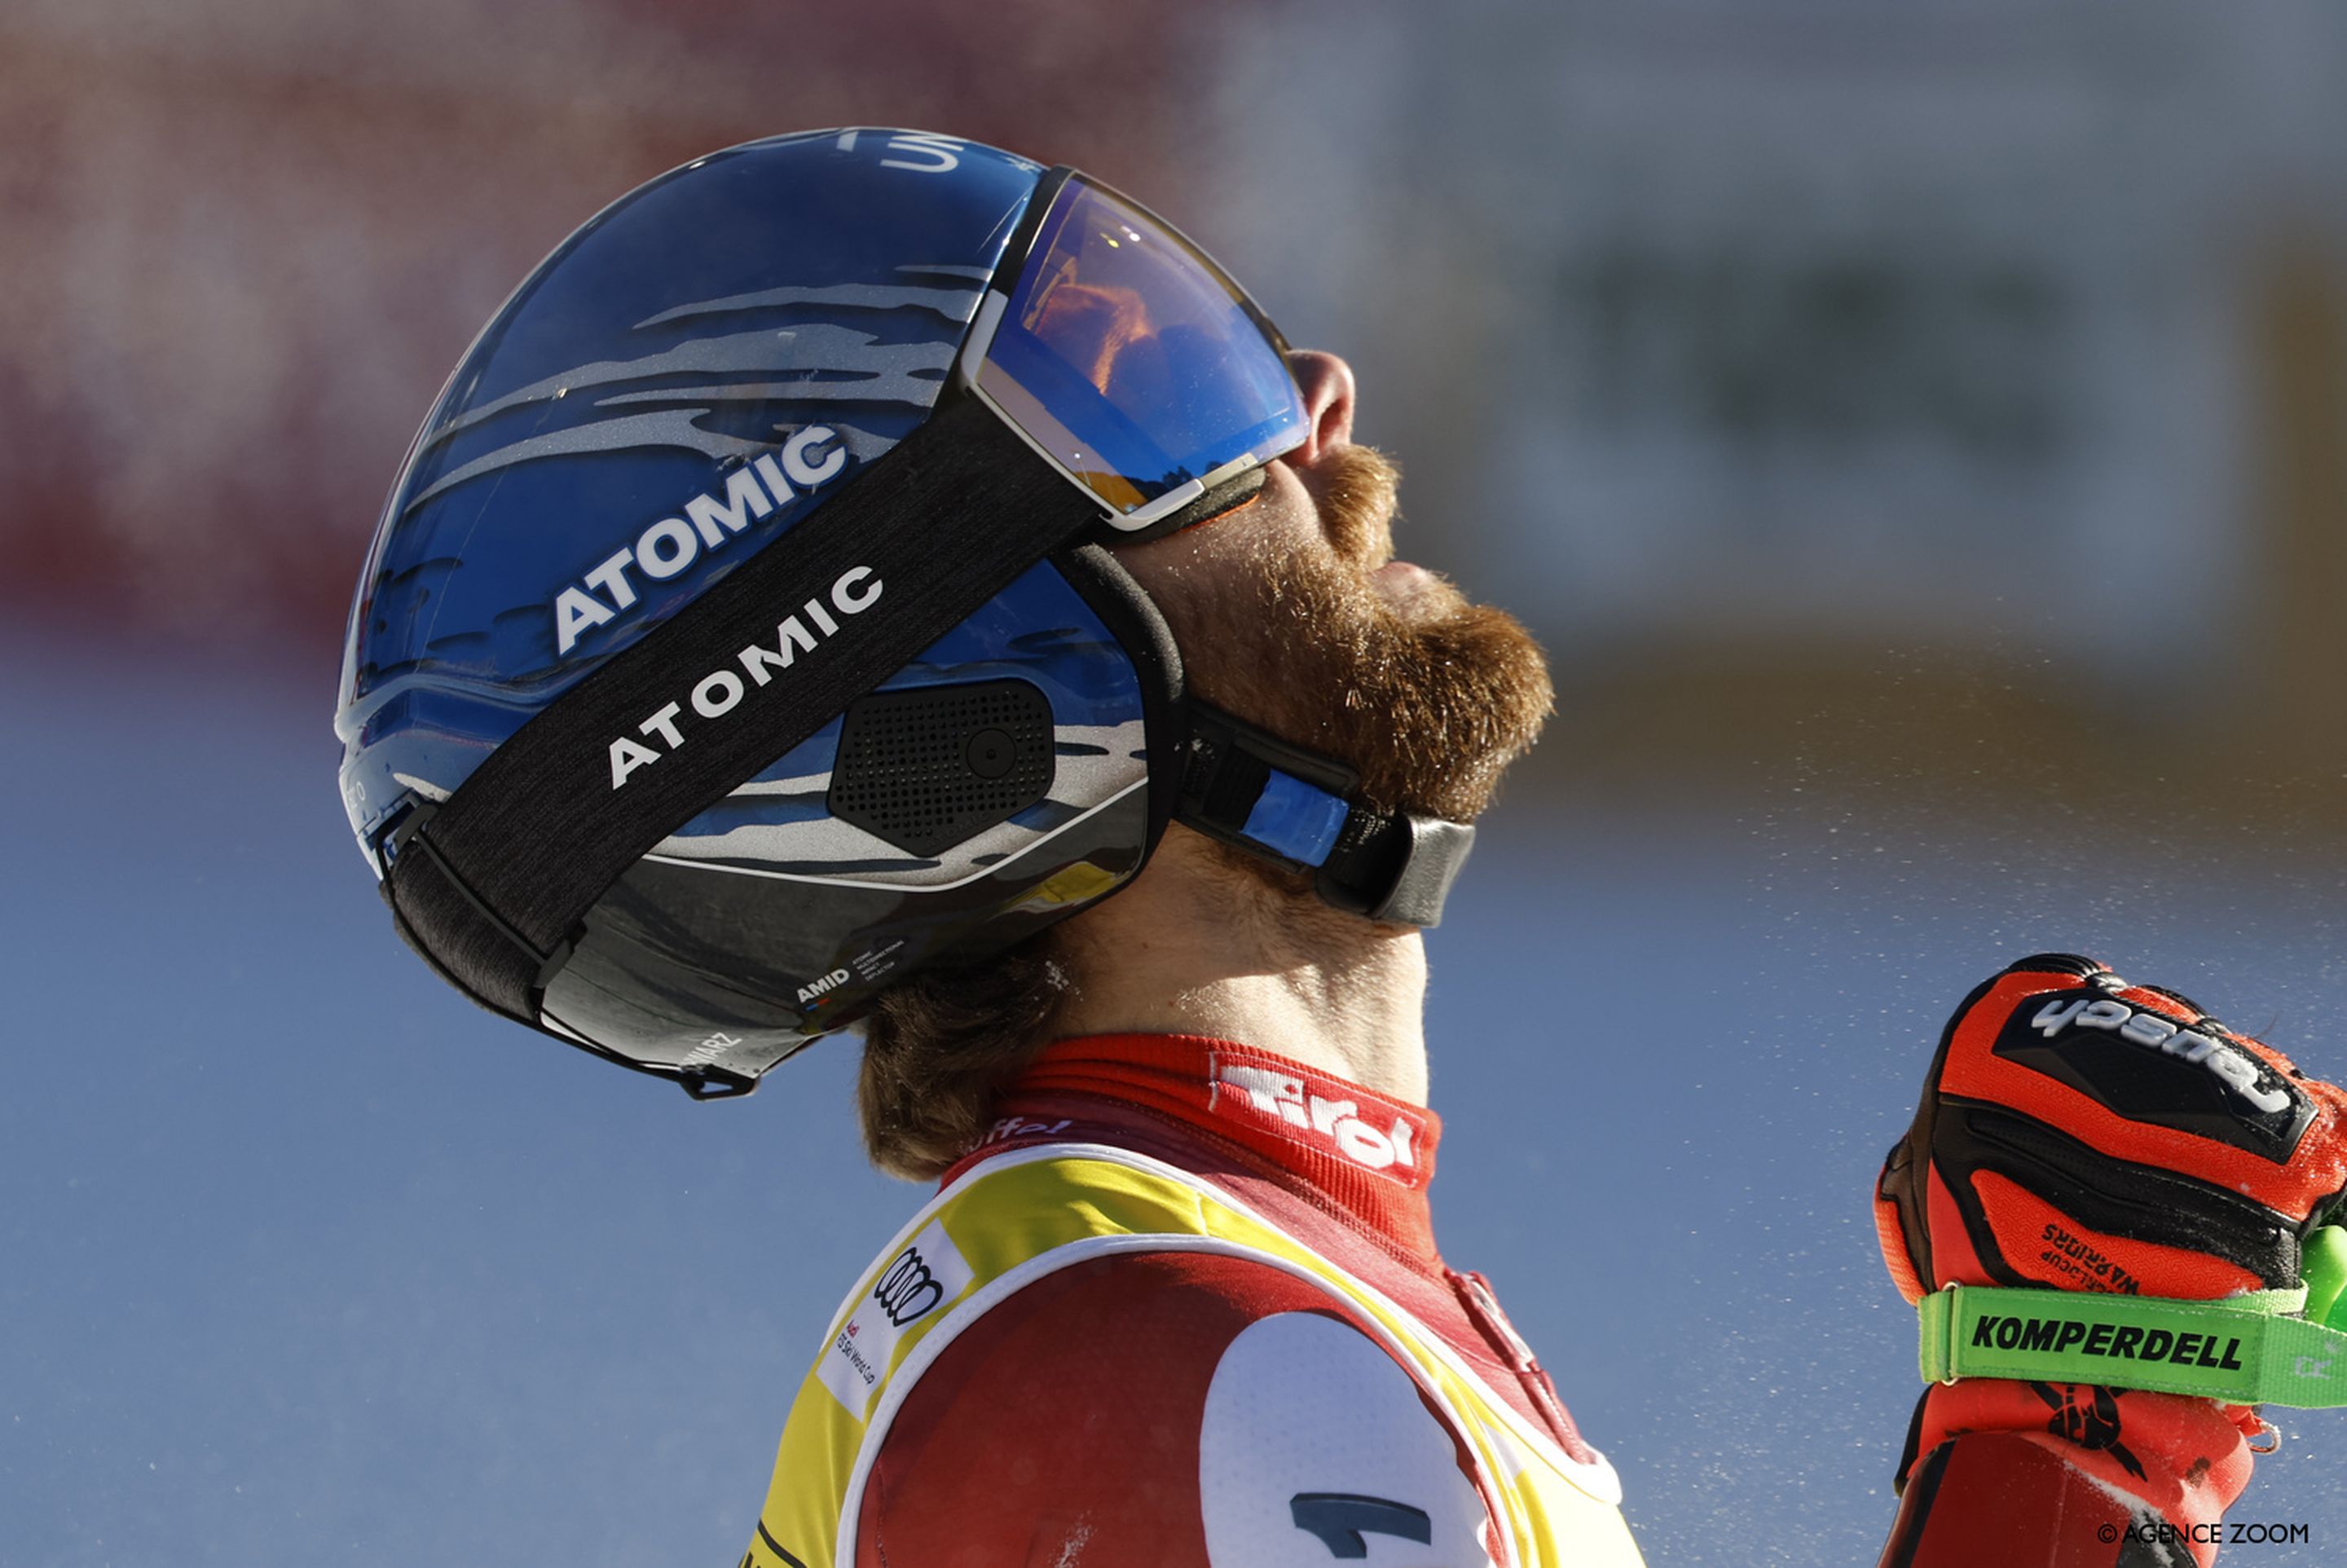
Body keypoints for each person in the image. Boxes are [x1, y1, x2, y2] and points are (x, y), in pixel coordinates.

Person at [336, 130, 2347, 1566]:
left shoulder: (1201, 1313)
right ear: (985, 694)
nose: (1318, 400)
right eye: (1166, 376)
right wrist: (2066, 1466)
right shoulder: (1168, 1357)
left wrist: (2072, 1452)